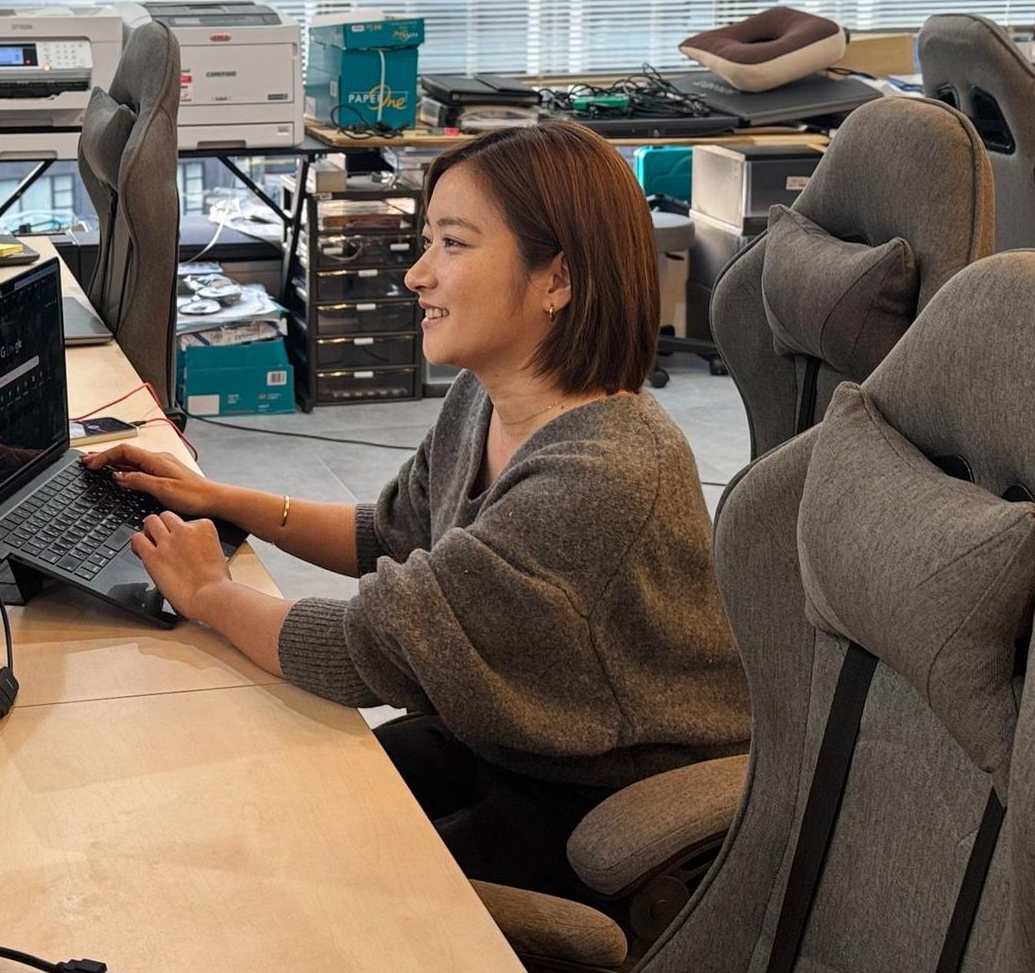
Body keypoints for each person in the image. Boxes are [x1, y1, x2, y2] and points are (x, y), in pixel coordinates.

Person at [84, 122, 748, 900]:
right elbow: (392, 533)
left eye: (453, 245)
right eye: (427, 241)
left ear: (558, 280)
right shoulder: (483, 400)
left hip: (606, 807)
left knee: (303, 886)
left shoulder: (594, 479)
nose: (415, 275)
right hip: (511, 734)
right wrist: (222, 499)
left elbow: (360, 652)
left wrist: (207, 593)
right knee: (276, 799)